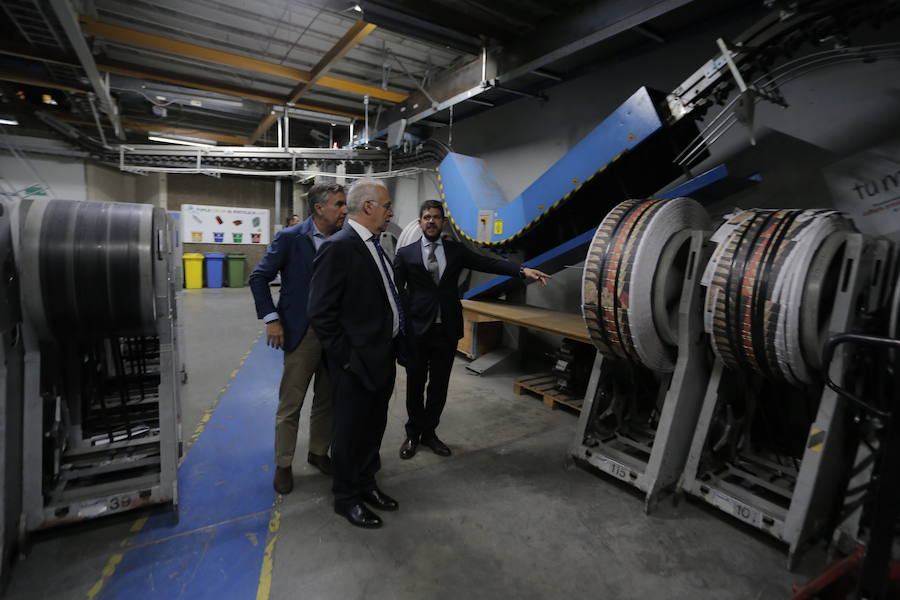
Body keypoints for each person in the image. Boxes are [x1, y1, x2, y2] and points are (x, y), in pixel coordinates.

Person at [393, 199, 550, 460]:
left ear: (443, 222)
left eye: (436, 217)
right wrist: (400, 328)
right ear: (420, 222)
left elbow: (488, 263)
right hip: (417, 331)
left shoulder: (456, 251)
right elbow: (396, 292)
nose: (431, 221)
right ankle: (413, 434)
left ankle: (430, 433)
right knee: (415, 385)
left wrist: (522, 271)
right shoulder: (406, 254)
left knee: (438, 387)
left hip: (446, 330)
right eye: (426, 217)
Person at [308, 178, 403, 529]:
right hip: (356, 363)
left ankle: (366, 482)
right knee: (349, 432)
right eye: (387, 206)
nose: (390, 212)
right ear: (368, 207)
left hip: (382, 356)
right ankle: (346, 497)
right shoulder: (339, 247)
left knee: (373, 426)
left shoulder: (376, 245)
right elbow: (321, 313)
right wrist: (347, 359)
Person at [249, 183, 347, 495]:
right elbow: (258, 277)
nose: (344, 210)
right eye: (339, 204)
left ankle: (318, 451)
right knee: (291, 402)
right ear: (319, 208)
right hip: (302, 332)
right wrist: (272, 318)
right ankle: (284, 463)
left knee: (327, 398)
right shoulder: (291, 238)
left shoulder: (344, 239)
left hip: (335, 333)